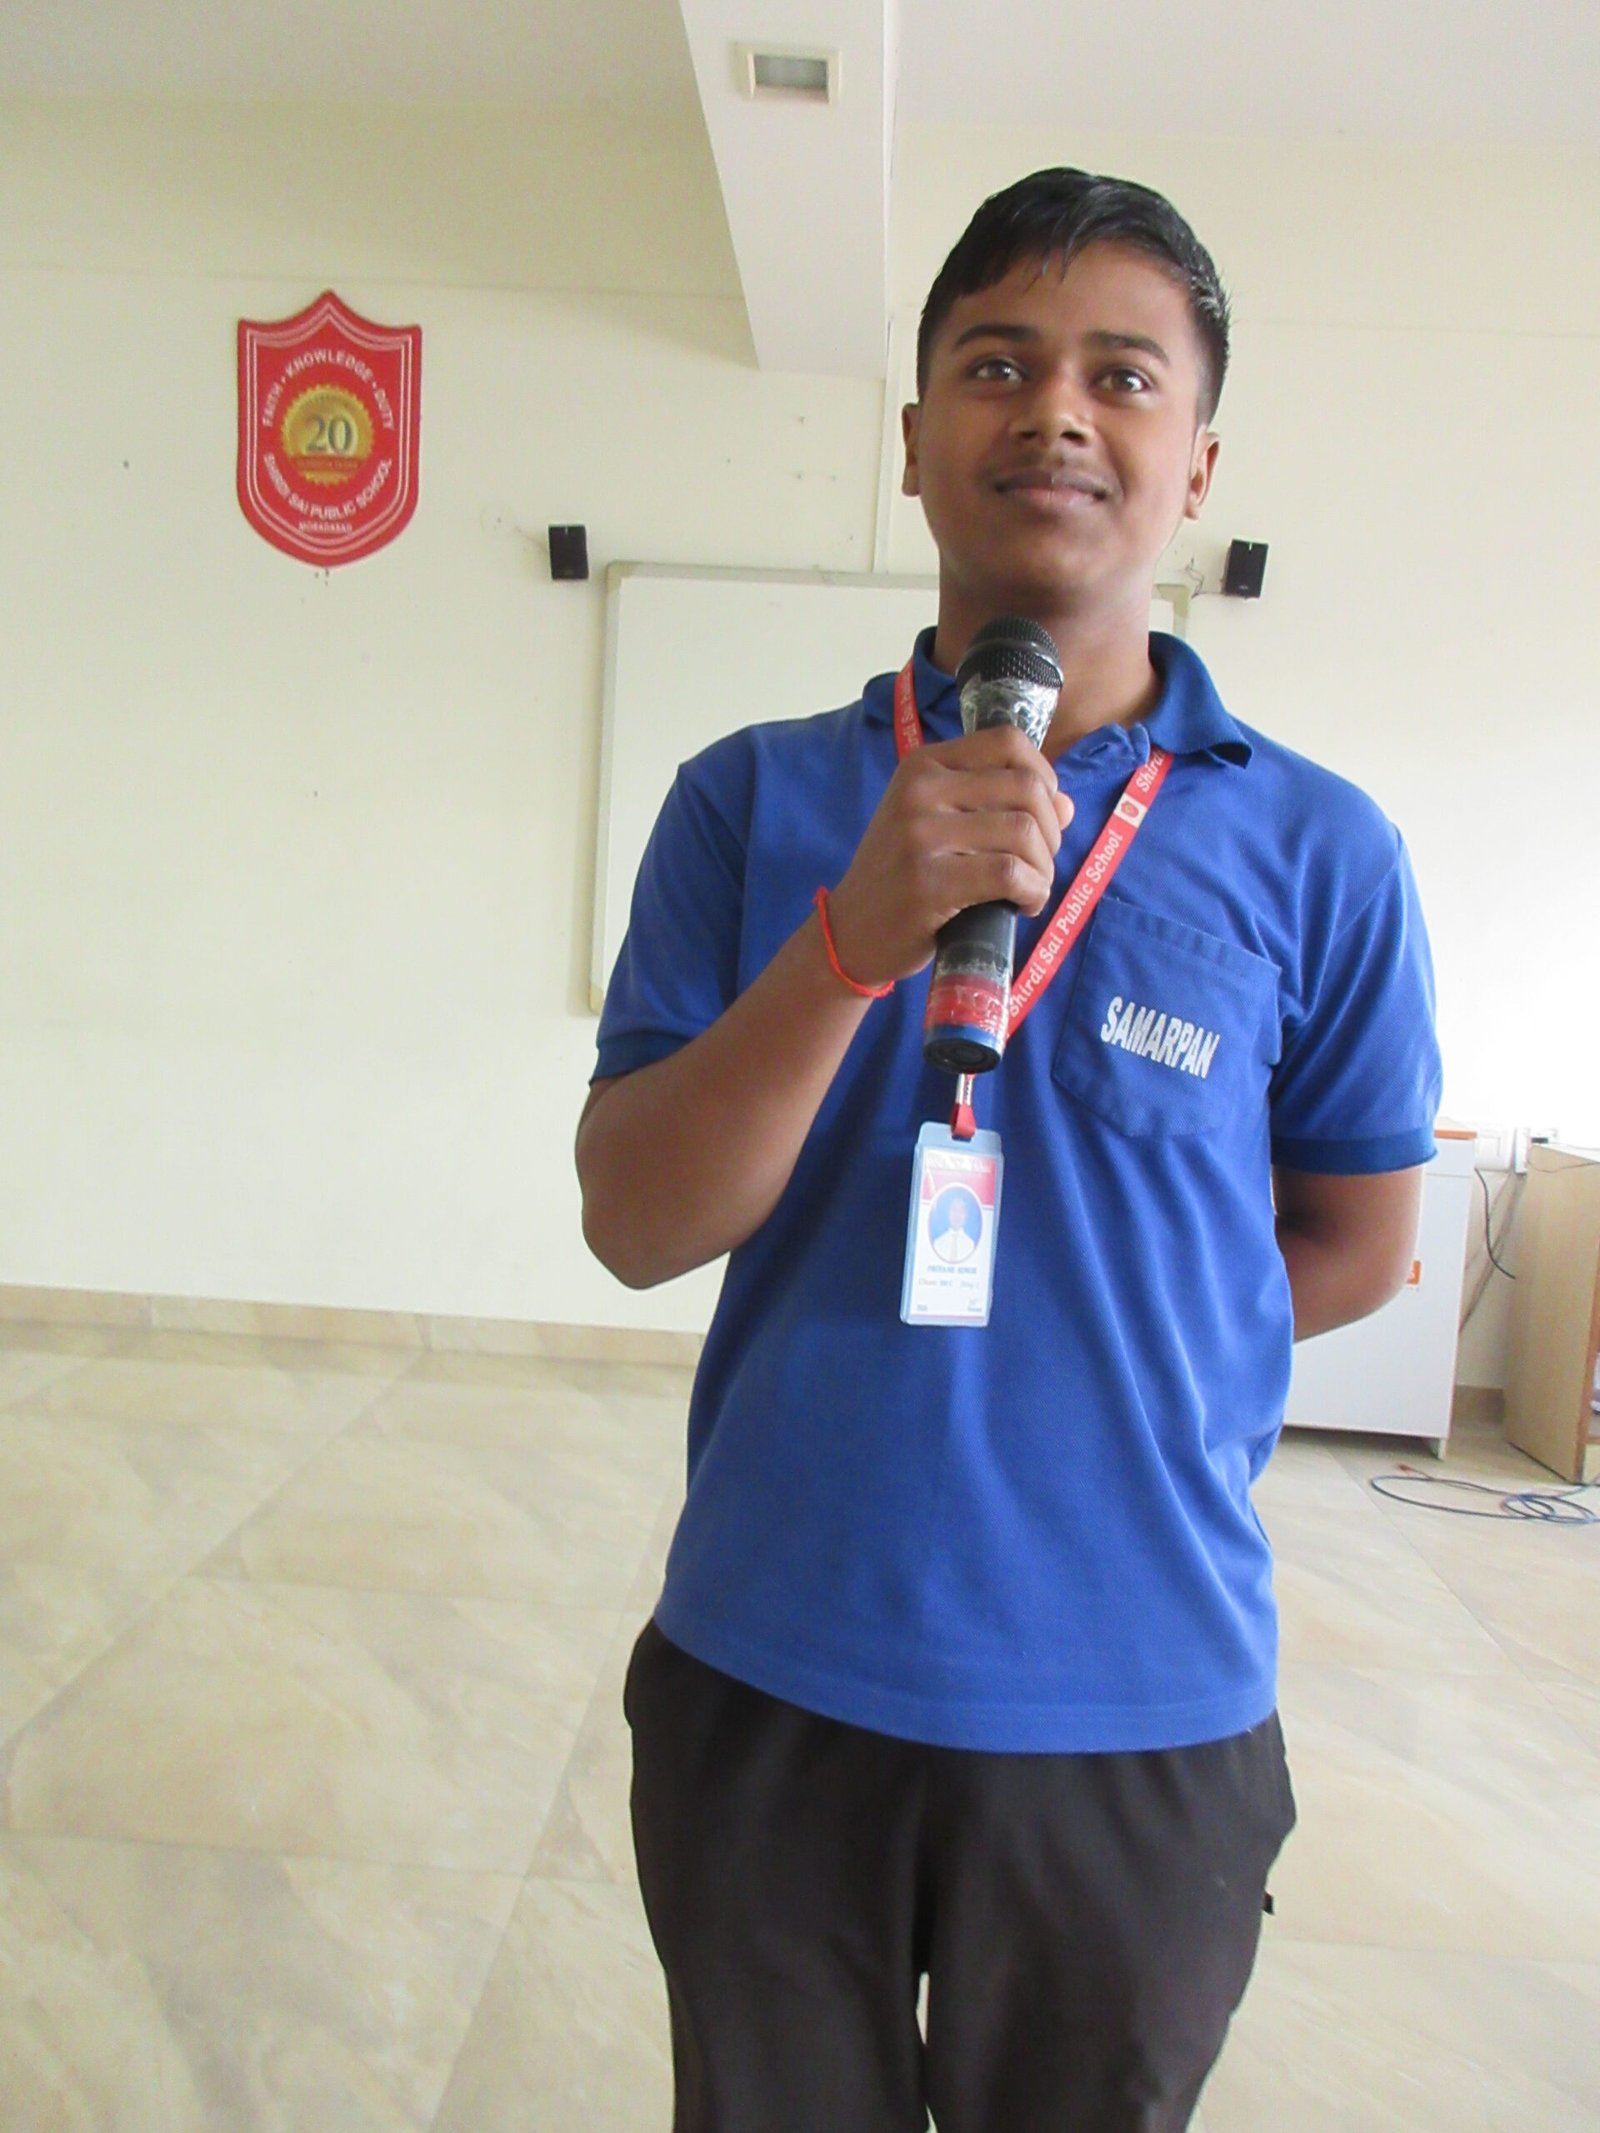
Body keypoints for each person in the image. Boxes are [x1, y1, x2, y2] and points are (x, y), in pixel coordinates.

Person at [577, 167, 1441, 2133]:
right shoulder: (749, 801)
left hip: (1138, 1704)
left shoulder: (1322, 849)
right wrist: (847, 946)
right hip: (769, 1670)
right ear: (911, 443)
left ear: (1193, 462)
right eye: (995, 364)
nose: (1053, 410)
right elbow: (635, 1219)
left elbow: (1358, 1238)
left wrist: (1122, 1364)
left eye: (1119, 375)